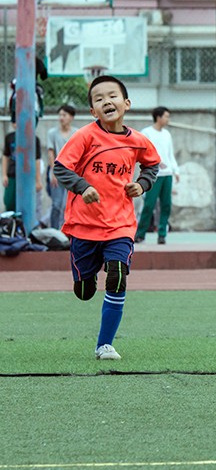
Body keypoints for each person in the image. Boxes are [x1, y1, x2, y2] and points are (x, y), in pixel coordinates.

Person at [54, 75, 160, 360]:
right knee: (85, 291)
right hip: (84, 225)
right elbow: (61, 169)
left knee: (117, 275)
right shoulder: (84, 136)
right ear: (92, 111)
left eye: (111, 96)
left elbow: (152, 166)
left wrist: (142, 184)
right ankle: (83, 277)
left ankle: (105, 345)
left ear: (125, 103)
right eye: (98, 99)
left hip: (121, 225)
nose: (106, 101)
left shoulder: (138, 141)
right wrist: (83, 186)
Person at [134, 107, 179, 245]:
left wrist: (175, 170)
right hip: (153, 175)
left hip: (167, 175)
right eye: (166, 116)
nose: (168, 119)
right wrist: (156, 163)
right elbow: (142, 152)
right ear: (158, 117)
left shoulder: (167, 134)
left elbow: (170, 154)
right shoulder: (146, 133)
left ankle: (162, 235)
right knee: (149, 205)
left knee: (166, 205)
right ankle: (140, 234)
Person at [47, 104, 77, 229]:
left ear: (71, 117)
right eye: (59, 115)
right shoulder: (52, 133)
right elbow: (50, 152)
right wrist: (53, 172)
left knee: (71, 204)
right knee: (57, 204)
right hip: (58, 171)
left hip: (73, 172)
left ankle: (69, 231)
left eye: (64, 115)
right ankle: (54, 231)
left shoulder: (77, 133)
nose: (61, 118)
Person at [3, 122, 43, 213]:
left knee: (27, 204)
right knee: (9, 202)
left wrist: (38, 180)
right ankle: (10, 224)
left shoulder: (34, 139)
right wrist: (4, 174)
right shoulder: (9, 137)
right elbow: (6, 156)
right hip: (12, 175)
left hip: (28, 177)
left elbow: (37, 160)